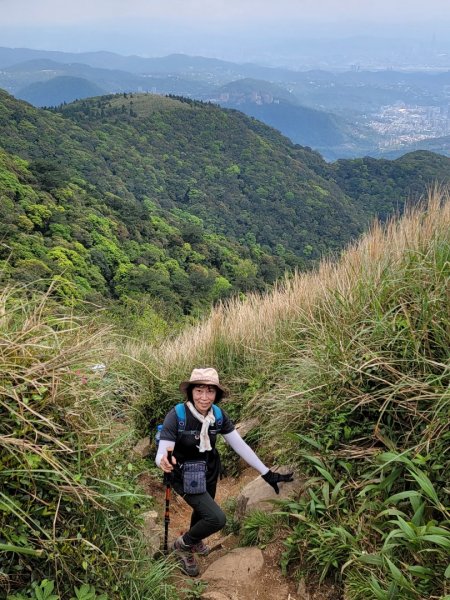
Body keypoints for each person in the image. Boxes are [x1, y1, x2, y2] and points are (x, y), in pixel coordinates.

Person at [156, 367, 294, 576]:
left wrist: (267, 473)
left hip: (209, 469)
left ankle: (195, 540)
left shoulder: (217, 416)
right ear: (191, 392)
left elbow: (240, 446)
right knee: (216, 519)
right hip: (183, 475)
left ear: (216, 394)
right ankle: (182, 546)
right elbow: (161, 453)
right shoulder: (177, 416)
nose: (204, 397)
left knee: (203, 510)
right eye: (199, 390)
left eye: (210, 391)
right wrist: (164, 461)